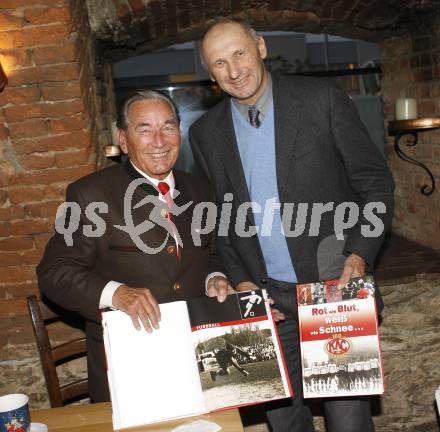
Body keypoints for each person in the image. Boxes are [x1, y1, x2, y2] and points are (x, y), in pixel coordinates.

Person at [189, 18, 394, 432]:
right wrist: (241, 279)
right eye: (219, 63)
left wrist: (359, 255)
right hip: (262, 303)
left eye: (240, 54)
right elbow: (222, 221)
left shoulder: (321, 99)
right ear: (211, 73)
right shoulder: (205, 133)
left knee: (349, 422)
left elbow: (376, 184)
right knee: (284, 425)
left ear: (261, 47)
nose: (233, 70)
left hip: (332, 291)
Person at [37, 90, 231, 403]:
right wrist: (116, 293)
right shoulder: (89, 195)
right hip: (130, 371)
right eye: (145, 130)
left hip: (198, 363)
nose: (160, 141)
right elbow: (54, 273)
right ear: (124, 139)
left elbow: (211, 254)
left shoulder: (200, 188)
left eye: (168, 128)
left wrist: (214, 277)